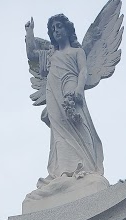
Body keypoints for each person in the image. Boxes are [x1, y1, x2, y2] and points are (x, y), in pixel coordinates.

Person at [25, 14, 104, 194]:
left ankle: (86, 167)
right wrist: (29, 32)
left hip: (70, 87)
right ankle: (63, 171)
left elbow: (83, 71)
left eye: (59, 27)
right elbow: (31, 53)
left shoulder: (77, 52)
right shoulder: (51, 54)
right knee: (59, 132)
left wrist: (79, 88)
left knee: (78, 125)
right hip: (53, 92)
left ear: (67, 30)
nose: (56, 31)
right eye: (53, 29)